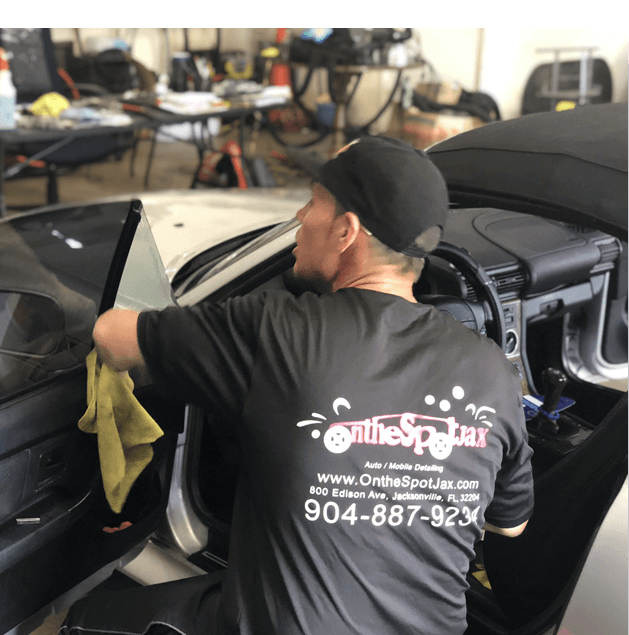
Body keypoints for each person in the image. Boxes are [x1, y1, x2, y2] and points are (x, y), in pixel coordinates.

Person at [61, 136, 534, 635]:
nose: (299, 218)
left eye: (313, 202)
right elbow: (509, 523)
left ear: (346, 231)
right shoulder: (491, 370)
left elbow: (110, 338)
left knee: (87, 619)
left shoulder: (274, 330)